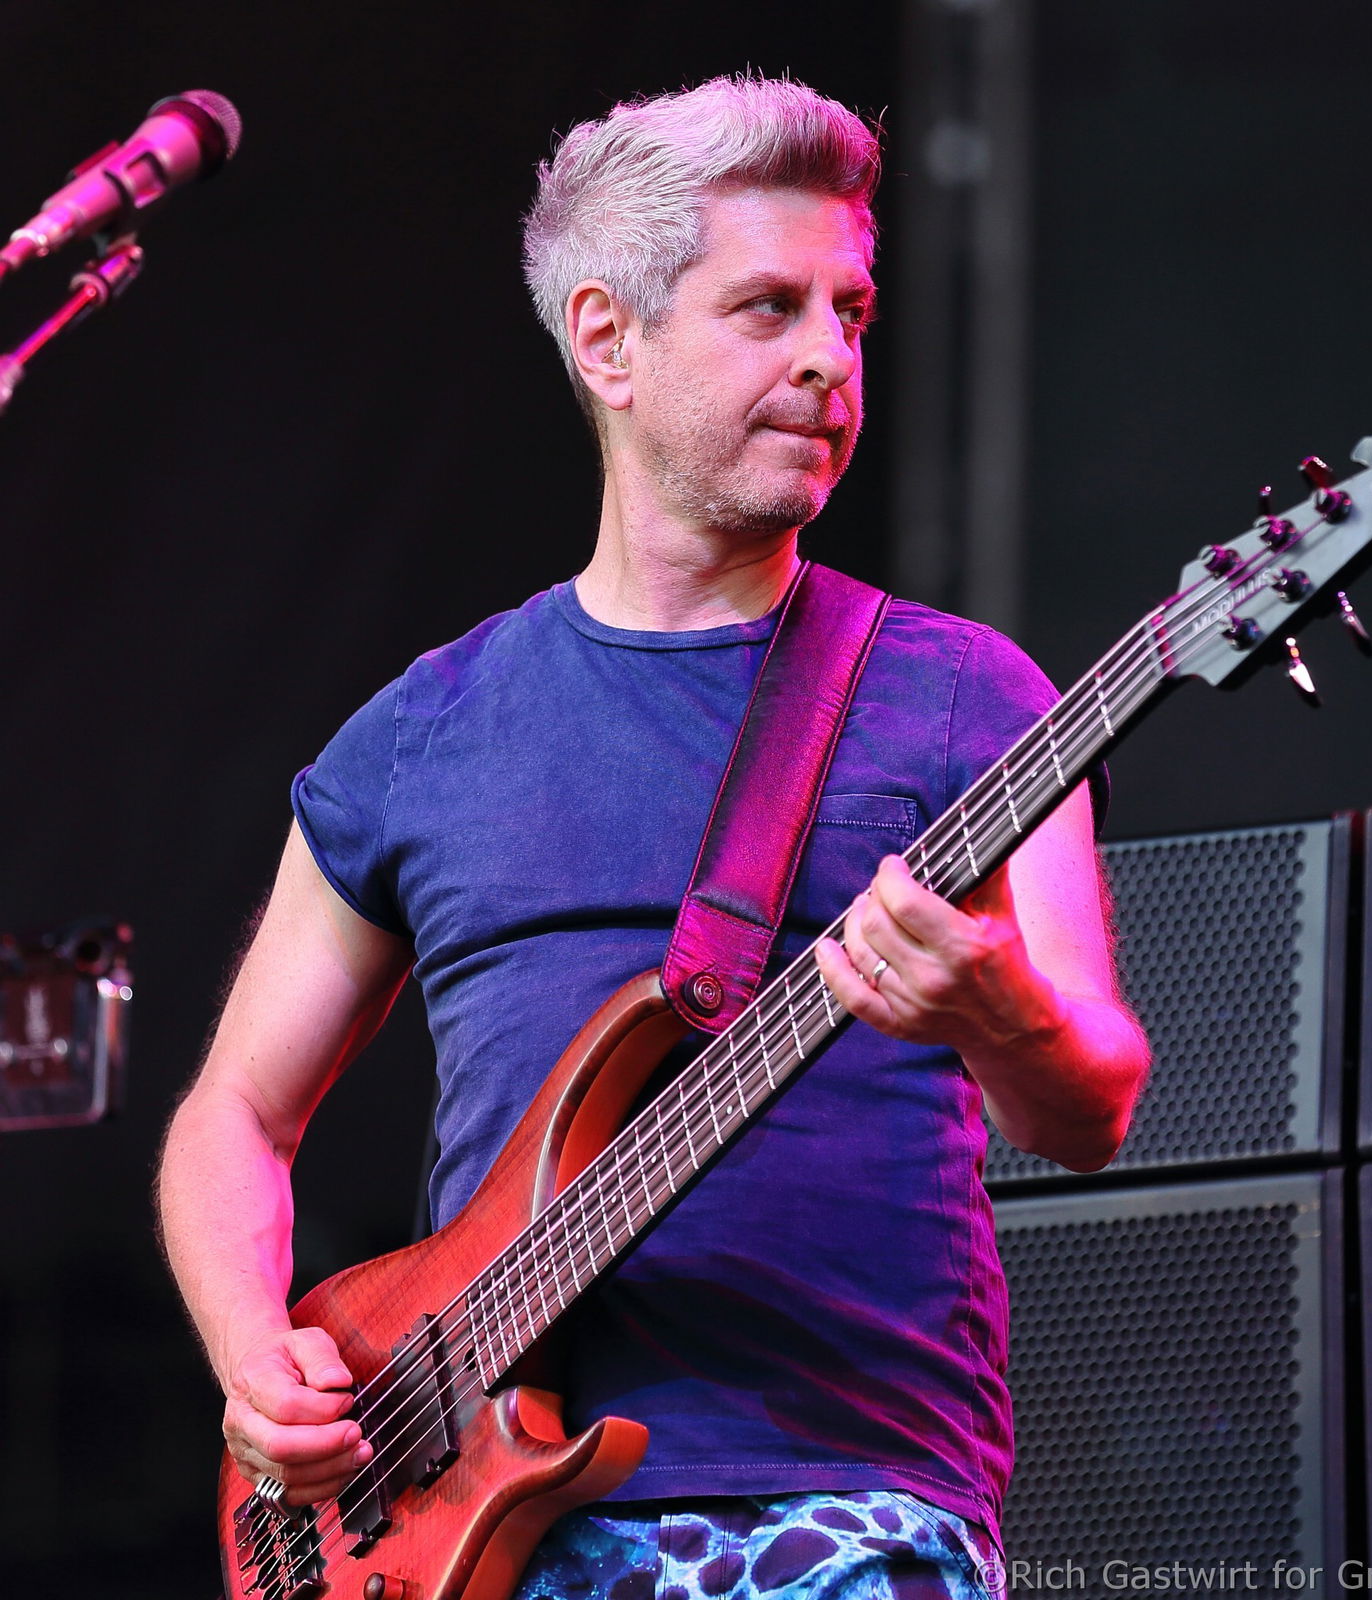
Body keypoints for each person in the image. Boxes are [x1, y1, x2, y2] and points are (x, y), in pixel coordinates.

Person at [157, 74, 1148, 1600]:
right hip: (473, 1523)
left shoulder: (972, 699)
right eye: (769, 308)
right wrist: (253, 1360)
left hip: (854, 1508)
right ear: (608, 341)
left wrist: (998, 1011)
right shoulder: (423, 734)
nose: (830, 357)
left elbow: (1091, 1104)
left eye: (851, 311)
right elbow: (232, 1117)